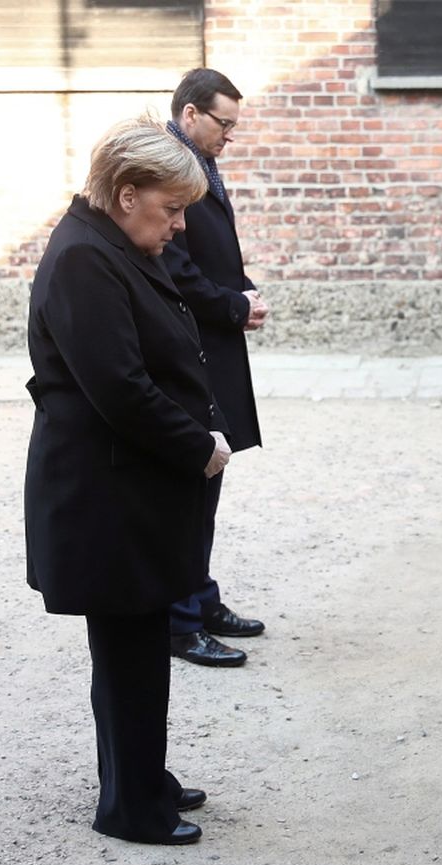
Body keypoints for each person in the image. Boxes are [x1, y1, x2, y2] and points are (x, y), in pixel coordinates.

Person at [23, 115, 228, 845]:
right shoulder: (85, 257)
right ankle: (130, 808)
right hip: (104, 495)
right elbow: (117, 385)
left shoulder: (107, 242)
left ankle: (146, 779)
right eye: (170, 208)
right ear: (125, 192)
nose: (177, 226)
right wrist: (196, 446)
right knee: (128, 655)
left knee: (138, 648)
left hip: (123, 488)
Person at [160, 68, 269, 667]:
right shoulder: (167, 168)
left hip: (211, 339)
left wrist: (243, 292)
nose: (230, 136)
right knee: (192, 484)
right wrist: (231, 305)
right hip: (188, 344)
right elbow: (176, 264)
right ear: (191, 112)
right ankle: (181, 623)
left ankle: (199, 600)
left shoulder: (200, 161)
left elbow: (210, 252)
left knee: (211, 478)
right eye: (224, 124)